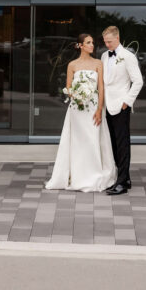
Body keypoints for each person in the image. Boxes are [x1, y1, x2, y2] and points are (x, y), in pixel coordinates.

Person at [45, 32, 116, 192]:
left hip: (93, 108)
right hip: (77, 109)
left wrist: (99, 109)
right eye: (89, 43)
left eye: (92, 42)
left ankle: (94, 175)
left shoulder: (98, 63)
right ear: (81, 46)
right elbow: (68, 88)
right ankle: (76, 175)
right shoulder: (72, 65)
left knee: (92, 140)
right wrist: (77, 93)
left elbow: (101, 87)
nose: (92, 45)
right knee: (78, 143)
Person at [101, 25, 144, 196]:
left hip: (121, 106)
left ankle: (122, 184)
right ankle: (124, 178)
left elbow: (138, 81)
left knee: (122, 144)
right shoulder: (105, 55)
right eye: (105, 42)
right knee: (112, 143)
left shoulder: (128, 56)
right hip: (107, 106)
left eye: (110, 42)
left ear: (117, 38)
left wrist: (127, 102)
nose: (107, 45)